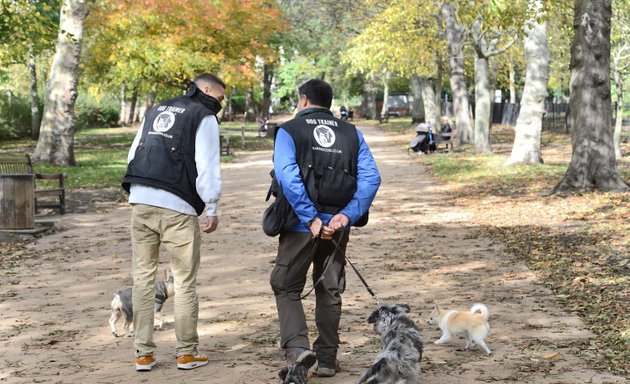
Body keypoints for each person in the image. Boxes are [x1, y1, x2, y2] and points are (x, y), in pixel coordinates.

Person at [269, 79, 381, 377]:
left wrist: (311, 218)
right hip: (338, 225)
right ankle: (328, 359)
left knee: (286, 285)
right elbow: (371, 178)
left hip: (299, 225)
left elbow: (287, 176)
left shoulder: (289, 130)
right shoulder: (351, 132)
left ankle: (298, 348)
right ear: (329, 102)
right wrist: (346, 216)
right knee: (329, 288)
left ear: (303, 100)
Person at [121, 73, 225, 372]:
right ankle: (186, 353)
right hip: (177, 205)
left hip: (141, 199)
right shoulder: (203, 116)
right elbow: (207, 165)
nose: (219, 104)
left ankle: (143, 354)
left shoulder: (156, 109)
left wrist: (136, 192)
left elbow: (134, 152)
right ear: (206, 90)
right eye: (218, 98)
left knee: (142, 279)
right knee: (184, 281)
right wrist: (212, 206)